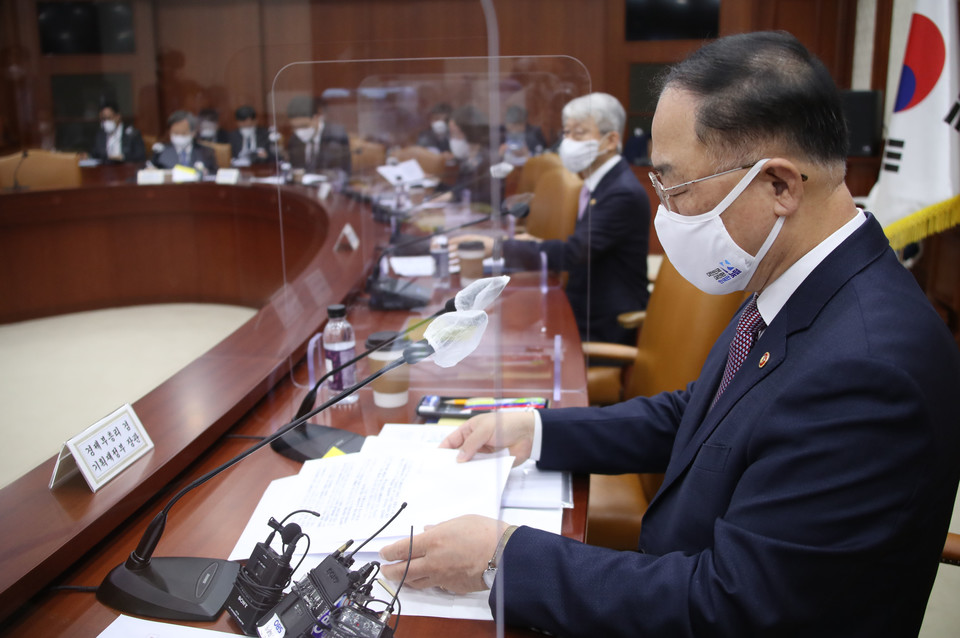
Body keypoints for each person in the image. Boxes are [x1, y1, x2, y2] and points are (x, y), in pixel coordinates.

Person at [379, 31, 960, 637]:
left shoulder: (866, 371)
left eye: (676, 189)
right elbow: (702, 413)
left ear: (780, 186)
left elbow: (733, 607)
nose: (664, 215)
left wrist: (500, 558)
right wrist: (538, 427)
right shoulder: (800, 278)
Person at [480, 92, 650, 345]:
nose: (567, 142)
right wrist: (532, 242)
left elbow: (574, 253)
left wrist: (499, 246)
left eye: (579, 134)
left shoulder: (621, 193)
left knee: (502, 339)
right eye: (567, 133)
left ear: (611, 140)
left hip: (603, 323)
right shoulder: (597, 182)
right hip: (580, 304)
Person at [285, 95, 351, 174]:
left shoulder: (335, 135)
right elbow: (295, 169)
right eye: (295, 127)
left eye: (304, 126)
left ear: (316, 118)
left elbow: (341, 171)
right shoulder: (295, 140)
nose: (300, 131)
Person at [152, 110, 218, 174]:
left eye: (183, 133)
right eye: (175, 133)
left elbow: (215, 174)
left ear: (193, 132)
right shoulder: (160, 152)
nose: (179, 136)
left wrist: (206, 172)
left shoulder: (206, 152)